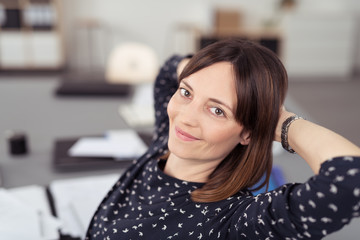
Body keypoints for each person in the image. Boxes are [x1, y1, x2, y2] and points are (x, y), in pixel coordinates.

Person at [85, 38, 360, 239]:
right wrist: (208, 70)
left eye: (217, 110)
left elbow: (350, 178)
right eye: (186, 92)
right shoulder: (165, 143)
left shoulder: (232, 222)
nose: (185, 117)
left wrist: (280, 122)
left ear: (247, 131)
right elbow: (169, 70)